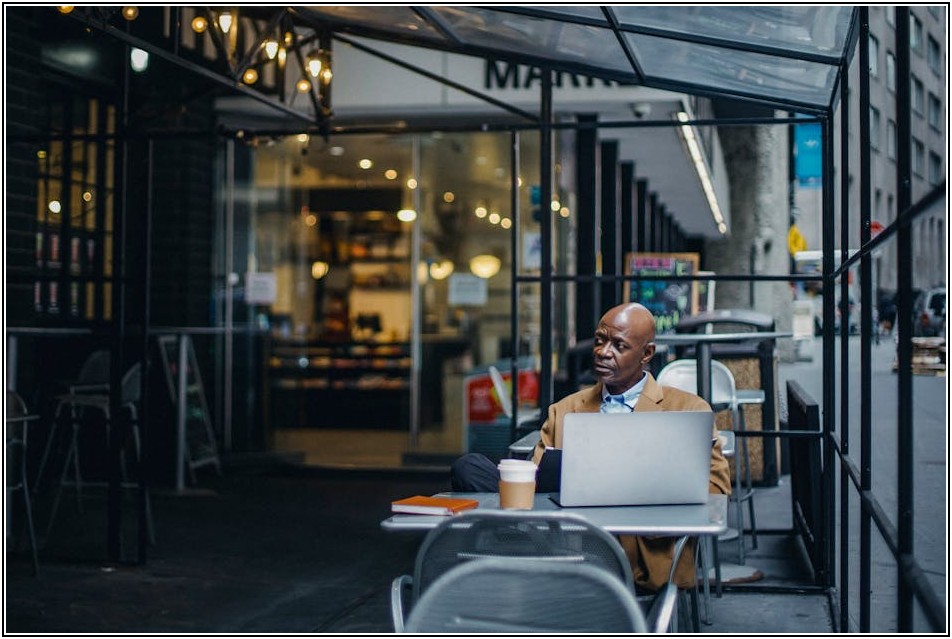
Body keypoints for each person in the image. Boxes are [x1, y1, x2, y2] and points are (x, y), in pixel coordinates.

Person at [451, 302, 731, 593]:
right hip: (572, 541)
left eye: (619, 345)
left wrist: (635, 496)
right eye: (600, 340)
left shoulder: (687, 410)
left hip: (643, 551)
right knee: (469, 468)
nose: (603, 351)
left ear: (646, 354)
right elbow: (538, 485)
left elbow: (716, 490)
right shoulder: (565, 410)